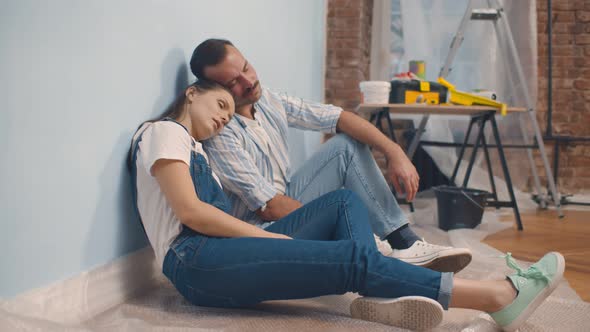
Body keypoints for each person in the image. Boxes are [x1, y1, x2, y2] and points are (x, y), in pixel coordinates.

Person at [128, 79, 565, 331]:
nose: (225, 116)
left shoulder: (194, 147)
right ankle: (494, 296)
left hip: (216, 252)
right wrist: (264, 235)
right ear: (191, 92)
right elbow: (192, 213)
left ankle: (375, 286)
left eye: (228, 110)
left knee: (341, 202)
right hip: (195, 261)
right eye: (220, 105)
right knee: (351, 255)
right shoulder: (165, 133)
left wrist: (268, 239)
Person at [190, 38, 472, 273]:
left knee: (346, 146)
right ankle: (384, 248)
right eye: (233, 83)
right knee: (345, 211)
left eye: (246, 68)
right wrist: (347, 225)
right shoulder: (222, 134)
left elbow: (338, 117)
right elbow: (269, 207)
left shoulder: (267, 101)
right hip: (262, 230)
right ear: (215, 89)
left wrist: (394, 151)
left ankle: (403, 241)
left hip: (285, 199)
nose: (248, 82)